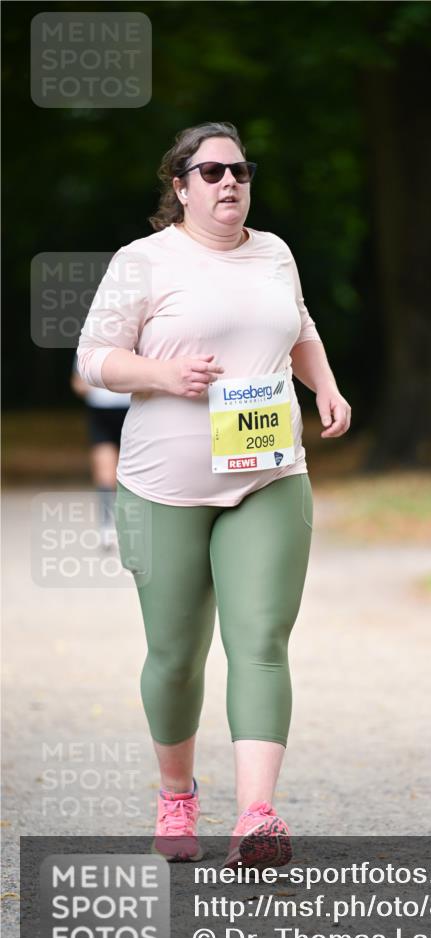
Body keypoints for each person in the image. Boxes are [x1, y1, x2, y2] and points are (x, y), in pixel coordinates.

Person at [76, 121, 351, 865]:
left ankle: (256, 815)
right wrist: (163, 376)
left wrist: (323, 387)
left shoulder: (274, 253)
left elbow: (300, 326)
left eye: (239, 170)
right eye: (210, 172)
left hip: (268, 473)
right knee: (175, 656)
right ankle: (176, 796)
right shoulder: (144, 262)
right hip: (163, 485)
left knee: (259, 642)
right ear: (180, 186)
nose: (229, 182)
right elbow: (94, 356)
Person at [70, 354, 131, 549]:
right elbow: (78, 383)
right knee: (106, 472)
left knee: (134, 473)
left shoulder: (139, 339)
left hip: (133, 413)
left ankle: (134, 526)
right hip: (101, 415)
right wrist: (97, 386)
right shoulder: (89, 342)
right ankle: (107, 526)